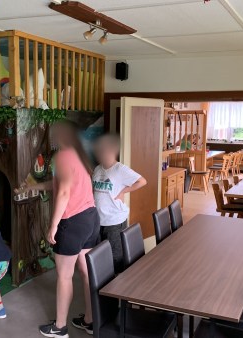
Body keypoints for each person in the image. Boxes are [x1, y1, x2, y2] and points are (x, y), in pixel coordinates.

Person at [19, 120, 99, 337]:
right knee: (85, 272)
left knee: (64, 276)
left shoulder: (62, 157)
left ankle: (60, 327)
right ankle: (91, 321)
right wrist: (34, 186)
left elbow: (63, 192)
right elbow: (59, 185)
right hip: (90, 218)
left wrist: (53, 225)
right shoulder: (79, 155)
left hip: (72, 222)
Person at [92, 134, 147, 272]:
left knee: (116, 258)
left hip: (114, 221)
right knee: (101, 257)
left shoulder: (120, 169)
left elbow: (142, 181)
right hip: (98, 221)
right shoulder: (97, 169)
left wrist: (123, 191)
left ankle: (118, 289)